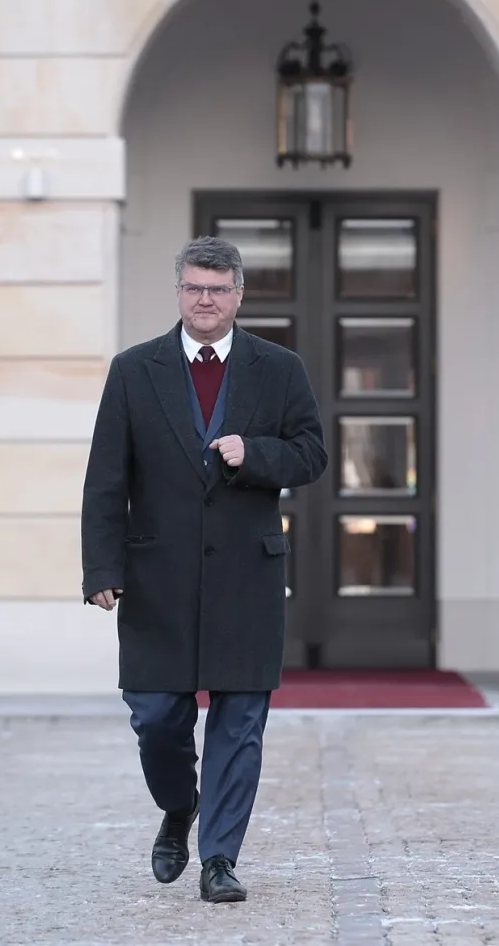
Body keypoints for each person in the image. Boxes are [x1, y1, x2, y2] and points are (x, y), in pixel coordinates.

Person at [80, 235, 327, 903]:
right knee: (156, 716)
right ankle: (179, 805)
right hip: (155, 578)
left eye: (218, 289)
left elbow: (312, 454)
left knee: (240, 724)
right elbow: (106, 478)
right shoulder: (134, 370)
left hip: (247, 577)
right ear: (179, 292)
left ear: (239, 295)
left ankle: (219, 859)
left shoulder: (280, 368)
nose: (206, 300)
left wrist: (257, 454)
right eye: (194, 287)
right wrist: (100, 567)